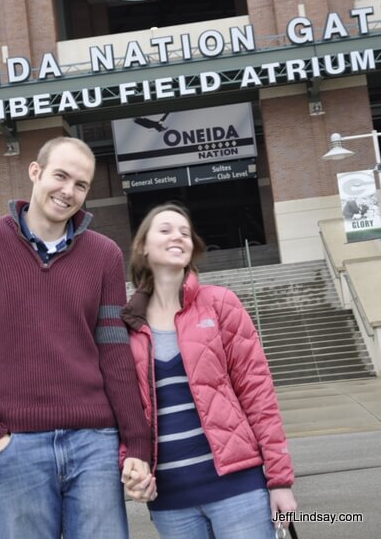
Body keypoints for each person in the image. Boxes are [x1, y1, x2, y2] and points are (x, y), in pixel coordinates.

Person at [0, 136, 152, 539]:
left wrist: (137, 442)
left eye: (81, 185)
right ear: (35, 173)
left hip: (95, 444)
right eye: (61, 176)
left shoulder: (105, 255)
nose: (68, 191)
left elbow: (114, 353)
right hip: (16, 446)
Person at [121, 203, 297, 539]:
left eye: (185, 233)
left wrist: (279, 481)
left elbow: (259, 397)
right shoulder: (127, 326)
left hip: (238, 491)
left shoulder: (220, 304)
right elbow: (124, 415)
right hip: (170, 502)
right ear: (142, 246)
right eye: (166, 230)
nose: (178, 236)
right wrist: (129, 468)